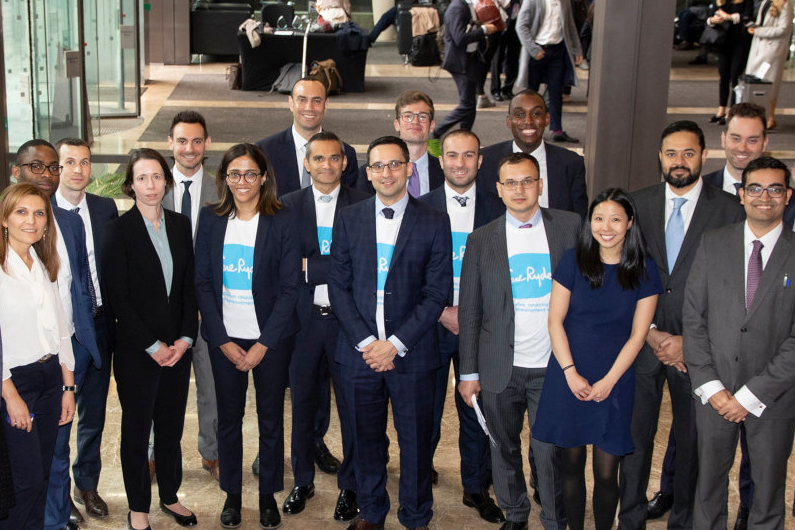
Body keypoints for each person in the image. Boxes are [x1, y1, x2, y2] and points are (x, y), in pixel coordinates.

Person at [618, 121, 745, 530]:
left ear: (705, 157)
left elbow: (733, 286)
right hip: (642, 340)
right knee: (634, 438)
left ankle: (685, 521)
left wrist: (689, 342)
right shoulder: (636, 205)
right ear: (660, 157)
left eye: (688, 153)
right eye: (671, 153)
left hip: (699, 349)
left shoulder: (729, 209)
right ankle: (631, 517)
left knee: (693, 442)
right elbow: (624, 274)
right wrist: (651, 332)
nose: (679, 162)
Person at [327, 136, 452, 530]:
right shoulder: (348, 217)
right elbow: (338, 286)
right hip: (359, 354)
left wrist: (395, 345)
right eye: (378, 166)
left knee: (415, 444)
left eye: (395, 164)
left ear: (409, 168)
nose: (387, 173)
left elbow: (437, 294)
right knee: (365, 442)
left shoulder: (434, 219)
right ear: (367, 173)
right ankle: (372, 512)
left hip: (411, 353)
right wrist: (368, 344)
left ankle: (416, 516)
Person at [458, 152, 580, 530]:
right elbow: (471, 311)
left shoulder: (571, 227)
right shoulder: (481, 240)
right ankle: (515, 514)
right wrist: (468, 373)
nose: (520, 189)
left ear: (540, 185)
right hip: (499, 365)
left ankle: (554, 518)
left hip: (554, 366)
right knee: (502, 447)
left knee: (548, 452)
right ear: (498, 189)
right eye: (510, 182)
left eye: (527, 180)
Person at [533, 188, 661, 530]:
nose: (607, 227)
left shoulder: (645, 270)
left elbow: (638, 335)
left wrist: (609, 381)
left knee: (606, 473)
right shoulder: (572, 261)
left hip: (615, 378)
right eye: (599, 218)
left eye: (616, 219)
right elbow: (555, 321)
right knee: (571, 466)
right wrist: (571, 373)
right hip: (569, 374)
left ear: (630, 223)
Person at [683, 156, 795, 530]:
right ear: (742, 195)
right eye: (756, 188)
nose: (765, 196)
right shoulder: (713, 244)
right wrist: (712, 387)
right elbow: (693, 319)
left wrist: (750, 395)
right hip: (714, 393)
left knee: (767, 494)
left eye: (775, 189)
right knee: (708, 490)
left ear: (788, 196)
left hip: (775, 397)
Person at [194, 143, 300, 530]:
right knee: (229, 420)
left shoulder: (283, 219)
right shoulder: (211, 219)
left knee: (271, 419)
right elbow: (203, 282)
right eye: (234, 174)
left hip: (270, 340)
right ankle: (233, 495)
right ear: (224, 179)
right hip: (225, 339)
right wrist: (221, 340)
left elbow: (291, 288)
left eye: (250, 174)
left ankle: (267, 493)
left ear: (264, 178)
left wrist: (262, 345)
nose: (242, 181)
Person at [103, 148, 198, 530]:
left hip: (178, 349)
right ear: (130, 184)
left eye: (156, 176)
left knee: (172, 426)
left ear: (167, 180)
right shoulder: (118, 231)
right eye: (141, 178)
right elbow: (119, 299)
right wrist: (153, 345)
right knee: (137, 429)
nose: (150, 185)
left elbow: (189, 288)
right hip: (137, 353)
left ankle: (170, 496)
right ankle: (138, 505)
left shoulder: (179, 224)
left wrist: (186, 338)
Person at [280, 131, 369, 522]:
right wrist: (334, 266)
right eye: (319, 159)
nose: (327, 165)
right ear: (307, 163)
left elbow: (363, 267)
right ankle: (303, 478)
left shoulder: (363, 204)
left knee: (351, 408)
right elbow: (284, 267)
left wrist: (311, 266)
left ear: (345, 162)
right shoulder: (286, 207)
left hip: (348, 325)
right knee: (301, 405)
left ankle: (350, 486)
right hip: (303, 324)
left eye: (335, 158)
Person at [418, 129, 505, 523]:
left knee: (477, 410)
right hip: (430, 325)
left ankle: (476, 487)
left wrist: (471, 314)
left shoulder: (499, 208)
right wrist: (440, 310)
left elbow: (503, 275)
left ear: (480, 159)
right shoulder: (419, 207)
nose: (459, 163)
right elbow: (410, 272)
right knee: (424, 410)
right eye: (452, 155)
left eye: (468, 155)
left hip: (481, 327)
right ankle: (419, 479)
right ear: (441, 160)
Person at [12, 139, 99, 530]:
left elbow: (75, 290)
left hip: (65, 356)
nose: (46, 175)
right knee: (23, 467)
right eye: (36, 167)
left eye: (52, 168)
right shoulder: (12, 236)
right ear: (16, 172)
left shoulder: (64, 224)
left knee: (57, 447)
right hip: (15, 371)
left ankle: (58, 515)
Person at [0, 183, 76, 530]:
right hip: (15, 382)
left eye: (39, 213)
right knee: (23, 483)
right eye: (21, 212)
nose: (31, 220)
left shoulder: (42, 263)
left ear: (47, 223)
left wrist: (68, 387)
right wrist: (11, 395)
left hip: (50, 380)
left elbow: (61, 329)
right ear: (4, 218)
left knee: (42, 478)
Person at [53, 138, 118, 522]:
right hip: (62, 331)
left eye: (85, 162)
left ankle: (87, 483)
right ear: (58, 168)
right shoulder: (41, 214)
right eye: (70, 162)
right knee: (62, 415)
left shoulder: (104, 208)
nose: (78, 169)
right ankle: (61, 497)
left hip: (99, 323)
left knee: (94, 412)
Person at [162, 110, 220, 481]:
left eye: (197, 141)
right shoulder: (153, 186)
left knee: (212, 389)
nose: (189, 148)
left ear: (207, 144)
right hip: (165, 311)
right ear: (170, 143)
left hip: (212, 310)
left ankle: (212, 453)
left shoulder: (223, 188)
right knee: (163, 389)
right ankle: (157, 452)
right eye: (182, 140)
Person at [478, 89, 588, 217]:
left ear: (547, 119)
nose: (528, 121)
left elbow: (579, 220)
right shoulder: (487, 160)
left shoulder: (571, 164)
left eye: (536, 114)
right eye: (519, 114)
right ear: (509, 121)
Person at [255, 77, 358, 196]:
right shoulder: (265, 151)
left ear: (326, 104)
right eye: (302, 100)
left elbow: (351, 204)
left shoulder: (346, 153)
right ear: (291, 103)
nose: (309, 107)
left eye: (317, 101)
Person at [515, 0, 583, 143]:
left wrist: (577, 49)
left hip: (557, 51)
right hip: (537, 51)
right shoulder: (532, 1)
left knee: (556, 92)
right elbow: (521, 26)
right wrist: (533, 49)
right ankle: (528, 128)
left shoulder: (564, 2)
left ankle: (557, 130)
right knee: (531, 93)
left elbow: (570, 26)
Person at [356, 91, 444, 197]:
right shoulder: (371, 173)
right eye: (408, 116)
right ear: (397, 124)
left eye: (422, 117)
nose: (415, 121)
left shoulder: (445, 172)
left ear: (431, 126)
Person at [432, 0, 498, 139]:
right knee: (467, 105)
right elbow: (459, 38)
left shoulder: (466, 5)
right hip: (460, 61)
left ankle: (465, 135)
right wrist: (484, 30)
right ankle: (437, 132)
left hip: (469, 59)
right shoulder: (457, 8)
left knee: (470, 105)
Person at [743, 0, 793, 129]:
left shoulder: (785, 4)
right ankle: (758, 117)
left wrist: (758, 31)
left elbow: (783, 29)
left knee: (770, 84)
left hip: (772, 50)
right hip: (760, 46)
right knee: (757, 83)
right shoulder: (766, 2)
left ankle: (770, 117)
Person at [703, 102, 769, 195]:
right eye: (736, 139)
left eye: (752, 141)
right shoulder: (700, 190)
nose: (742, 148)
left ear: (764, 143)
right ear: (723, 139)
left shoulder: (787, 200)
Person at [705, 0, 753, 124]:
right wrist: (713, 20)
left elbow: (748, 17)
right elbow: (709, 17)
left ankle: (732, 111)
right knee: (723, 77)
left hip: (740, 42)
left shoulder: (746, 2)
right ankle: (721, 109)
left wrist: (729, 17)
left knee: (735, 78)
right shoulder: (722, 1)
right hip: (723, 42)